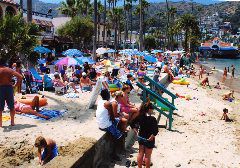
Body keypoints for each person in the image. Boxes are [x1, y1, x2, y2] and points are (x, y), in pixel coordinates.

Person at [130, 100, 158, 168]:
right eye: (152, 109)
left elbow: (132, 123)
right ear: (149, 109)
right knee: (147, 156)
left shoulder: (140, 116)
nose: (153, 111)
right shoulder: (153, 119)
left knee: (140, 154)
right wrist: (152, 136)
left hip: (141, 137)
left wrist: (136, 132)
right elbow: (155, 130)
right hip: (149, 139)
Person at [0, 58, 23, 127]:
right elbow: (20, 77)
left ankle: (0, 124)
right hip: (9, 88)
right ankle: (12, 122)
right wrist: (16, 85)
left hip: (0, 88)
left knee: (0, 107)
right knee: (11, 106)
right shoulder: (9, 70)